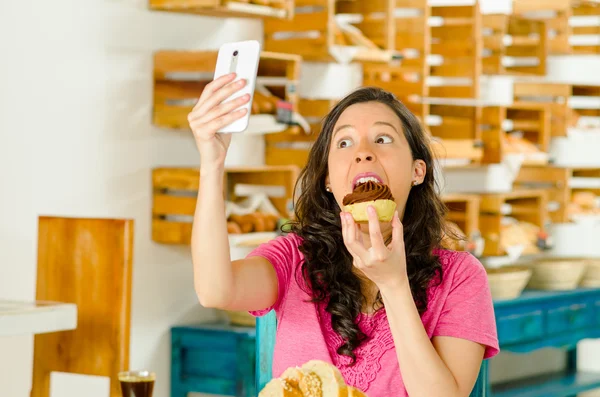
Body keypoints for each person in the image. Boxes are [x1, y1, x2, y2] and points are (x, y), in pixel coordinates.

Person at [188, 72, 500, 397]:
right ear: (327, 178)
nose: (363, 152)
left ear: (417, 171)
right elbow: (215, 291)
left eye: (382, 139)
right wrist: (212, 163)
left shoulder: (461, 278)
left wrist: (393, 284)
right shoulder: (295, 258)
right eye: (344, 142)